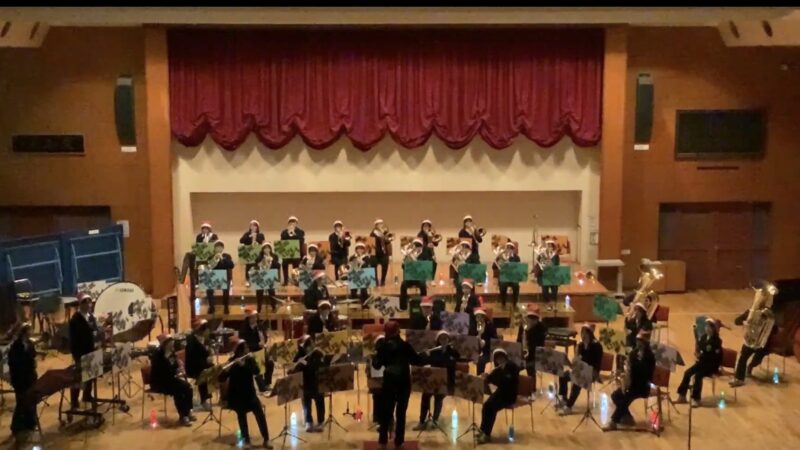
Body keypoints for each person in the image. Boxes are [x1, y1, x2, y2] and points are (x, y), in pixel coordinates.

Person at [372, 321, 424, 448]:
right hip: (403, 383)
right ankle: (399, 442)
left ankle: (383, 442)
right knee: (401, 414)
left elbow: (377, 365)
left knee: (386, 413)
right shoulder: (406, 346)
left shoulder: (383, 347)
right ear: (398, 331)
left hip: (389, 382)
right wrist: (421, 355)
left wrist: (374, 357)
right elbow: (417, 361)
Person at [219, 338, 273, 449]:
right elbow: (221, 378)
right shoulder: (232, 362)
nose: (248, 350)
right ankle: (246, 440)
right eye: (245, 348)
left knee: (260, 414)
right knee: (241, 416)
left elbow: (257, 371)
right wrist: (226, 370)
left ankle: (266, 439)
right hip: (237, 396)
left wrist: (244, 365)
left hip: (250, 395)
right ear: (239, 350)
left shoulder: (249, 359)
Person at [603, 330, 656, 431]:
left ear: (645, 343)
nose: (638, 343)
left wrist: (632, 366)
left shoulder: (650, 356)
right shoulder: (634, 353)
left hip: (642, 387)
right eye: (637, 340)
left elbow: (647, 374)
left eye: (640, 341)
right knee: (615, 395)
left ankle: (613, 421)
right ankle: (627, 417)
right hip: (632, 384)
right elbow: (629, 369)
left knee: (626, 398)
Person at [413, 330, 460, 430]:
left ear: (448, 340)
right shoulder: (433, 352)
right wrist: (425, 355)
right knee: (425, 397)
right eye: (441, 339)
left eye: (445, 338)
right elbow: (421, 362)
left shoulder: (452, 352)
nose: (444, 340)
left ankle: (435, 420)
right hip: (432, 380)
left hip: (444, 381)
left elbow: (456, 361)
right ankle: (421, 421)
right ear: (438, 340)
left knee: (438, 398)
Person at [557, 323, 604, 416]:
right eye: (582, 333)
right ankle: (564, 399)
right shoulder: (581, 346)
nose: (582, 335)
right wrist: (575, 357)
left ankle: (569, 406)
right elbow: (577, 361)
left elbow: (597, 363)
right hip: (581, 369)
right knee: (563, 375)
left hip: (592, 372)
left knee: (577, 381)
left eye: (584, 333)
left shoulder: (597, 346)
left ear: (589, 334)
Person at [150, 334, 195, 426]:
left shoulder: (171, 353)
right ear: (165, 344)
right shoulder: (158, 356)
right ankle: (183, 416)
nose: (173, 344)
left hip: (170, 379)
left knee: (188, 387)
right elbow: (162, 372)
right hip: (160, 382)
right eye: (171, 342)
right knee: (179, 391)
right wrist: (176, 371)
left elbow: (174, 366)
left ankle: (188, 411)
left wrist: (179, 367)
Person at [676, 318, 722, 407]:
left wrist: (701, 355)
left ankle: (696, 399)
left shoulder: (717, 341)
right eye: (706, 326)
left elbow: (715, 357)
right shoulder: (704, 337)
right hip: (701, 363)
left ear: (713, 329)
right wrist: (698, 353)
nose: (707, 329)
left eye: (709, 327)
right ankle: (682, 396)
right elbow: (700, 348)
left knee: (698, 376)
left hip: (710, 366)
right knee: (687, 373)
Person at [478, 348, 520, 444]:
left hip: (509, 396)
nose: (499, 360)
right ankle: (482, 430)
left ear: (505, 357)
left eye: (501, 357)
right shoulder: (498, 369)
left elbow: (507, 382)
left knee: (491, 408)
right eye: (497, 359)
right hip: (500, 393)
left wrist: (494, 378)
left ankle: (486, 434)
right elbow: (490, 379)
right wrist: (485, 377)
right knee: (486, 406)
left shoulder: (512, 366)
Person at [291, 335, 328, 433]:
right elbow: (293, 367)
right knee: (306, 402)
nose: (313, 345)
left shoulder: (317, 353)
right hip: (305, 383)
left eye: (312, 344)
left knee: (319, 401)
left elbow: (317, 367)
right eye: (310, 344)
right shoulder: (300, 354)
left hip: (317, 382)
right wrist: (298, 364)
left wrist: (305, 363)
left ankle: (321, 421)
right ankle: (308, 421)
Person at [69, 293, 100, 409]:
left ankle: (87, 395)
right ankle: (74, 400)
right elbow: (73, 340)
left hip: (92, 349)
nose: (88, 304)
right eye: (85, 302)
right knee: (78, 378)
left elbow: (95, 330)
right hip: (81, 352)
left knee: (91, 375)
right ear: (80, 305)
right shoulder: (75, 320)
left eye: (89, 302)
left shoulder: (91, 317)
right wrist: (77, 355)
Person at [9, 322, 37, 438]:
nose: (31, 333)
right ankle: (16, 426)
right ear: (24, 333)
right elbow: (15, 363)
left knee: (30, 401)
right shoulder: (16, 347)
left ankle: (30, 423)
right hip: (20, 379)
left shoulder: (29, 344)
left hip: (30, 377)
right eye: (29, 331)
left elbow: (33, 356)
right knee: (21, 402)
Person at [238, 308, 275, 391]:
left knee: (270, 363)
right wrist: (257, 344)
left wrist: (263, 339)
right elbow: (244, 345)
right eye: (252, 317)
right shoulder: (243, 329)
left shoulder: (259, 326)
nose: (255, 319)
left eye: (255, 317)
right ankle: (262, 387)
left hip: (260, 350)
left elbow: (265, 338)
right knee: (257, 365)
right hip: (250, 352)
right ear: (248, 318)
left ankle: (267, 383)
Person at [185, 318, 214, 411]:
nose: (208, 332)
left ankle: (222, 397)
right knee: (204, 373)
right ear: (201, 330)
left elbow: (206, 353)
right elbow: (193, 358)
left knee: (216, 369)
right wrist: (206, 360)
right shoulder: (191, 340)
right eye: (206, 329)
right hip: (193, 367)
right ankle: (204, 400)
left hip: (202, 364)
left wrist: (209, 355)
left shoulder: (205, 339)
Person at [516, 305, 547, 389]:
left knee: (530, 367)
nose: (531, 320)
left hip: (535, 356)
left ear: (537, 319)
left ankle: (532, 390)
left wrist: (529, 335)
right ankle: (516, 388)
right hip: (522, 355)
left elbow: (540, 346)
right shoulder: (523, 326)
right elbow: (518, 341)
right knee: (512, 367)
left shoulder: (541, 328)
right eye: (529, 317)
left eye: (534, 318)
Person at [399, 239, 430, 310]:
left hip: (420, 277)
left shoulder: (424, 255)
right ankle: (403, 306)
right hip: (410, 277)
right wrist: (404, 261)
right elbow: (403, 267)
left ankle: (424, 304)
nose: (416, 247)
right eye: (415, 246)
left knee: (423, 285)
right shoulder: (409, 254)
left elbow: (426, 269)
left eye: (418, 246)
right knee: (403, 285)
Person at [206, 240, 235, 315]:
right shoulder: (211, 256)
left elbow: (231, 265)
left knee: (226, 290)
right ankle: (211, 307)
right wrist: (215, 259)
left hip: (224, 277)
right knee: (209, 289)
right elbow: (209, 266)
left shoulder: (227, 256)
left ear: (223, 248)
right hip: (214, 277)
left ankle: (226, 306)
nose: (219, 248)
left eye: (220, 247)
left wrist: (222, 259)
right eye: (217, 247)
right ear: (214, 248)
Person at [253, 242, 282, 313]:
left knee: (271, 292)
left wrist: (272, 260)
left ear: (270, 249)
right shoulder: (259, 257)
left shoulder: (274, 256)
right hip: (261, 276)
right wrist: (263, 261)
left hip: (270, 276)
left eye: (268, 248)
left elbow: (278, 266)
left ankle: (273, 306)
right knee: (259, 292)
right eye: (265, 248)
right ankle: (259, 307)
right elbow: (256, 266)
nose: (267, 249)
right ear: (262, 249)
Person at [239, 219, 266, 287]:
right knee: (248, 266)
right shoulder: (247, 234)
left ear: (257, 227)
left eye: (255, 226)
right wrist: (249, 236)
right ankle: (247, 280)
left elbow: (263, 242)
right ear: (250, 227)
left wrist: (256, 238)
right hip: (249, 254)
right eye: (252, 226)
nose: (253, 227)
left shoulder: (260, 235)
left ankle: (257, 279)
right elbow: (241, 241)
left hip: (258, 253)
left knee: (257, 265)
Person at [280, 216, 306, 285]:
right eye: (290, 222)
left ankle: (296, 280)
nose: (292, 224)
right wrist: (289, 234)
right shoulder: (284, 232)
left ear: (296, 223)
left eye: (293, 222)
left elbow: (301, 241)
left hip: (297, 253)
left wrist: (294, 234)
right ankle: (285, 280)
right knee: (284, 263)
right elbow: (282, 242)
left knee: (296, 263)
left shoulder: (300, 232)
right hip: (287, 253)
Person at [496, 242, 522, 308]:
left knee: (516, 285)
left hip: (513, 278)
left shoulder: (516, 258)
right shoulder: (501, 256)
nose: (509, 250)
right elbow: (495, 266)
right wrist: (499, 259)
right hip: (504, 277)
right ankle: (503, 302)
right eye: (508, 248)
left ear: (513, 249)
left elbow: (519, 268)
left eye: (511, 248)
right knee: (502, 285)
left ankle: (515, 303)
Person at [475, 309, 499, 375]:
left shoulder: (490, 326)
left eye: (480, 317)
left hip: (487, 351)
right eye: (477, 317)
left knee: (481, 361)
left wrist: (485, 343)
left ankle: (481, 377)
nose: (478, 319)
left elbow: (495, 340)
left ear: (484, 317)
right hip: (477, 350)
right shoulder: (474, 326)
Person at [370, 219, 391, 287]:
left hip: (384, 253)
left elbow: (388, 242)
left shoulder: (385, 233)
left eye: (381, 224)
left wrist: (385, 236)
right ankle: (375, 281)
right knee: (373, 267)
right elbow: (371, 243)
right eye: (379, 224)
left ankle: (383, 280)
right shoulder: (373, 233)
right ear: (376, 225)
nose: (381, 225)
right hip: (375, 253)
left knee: (385, 266)